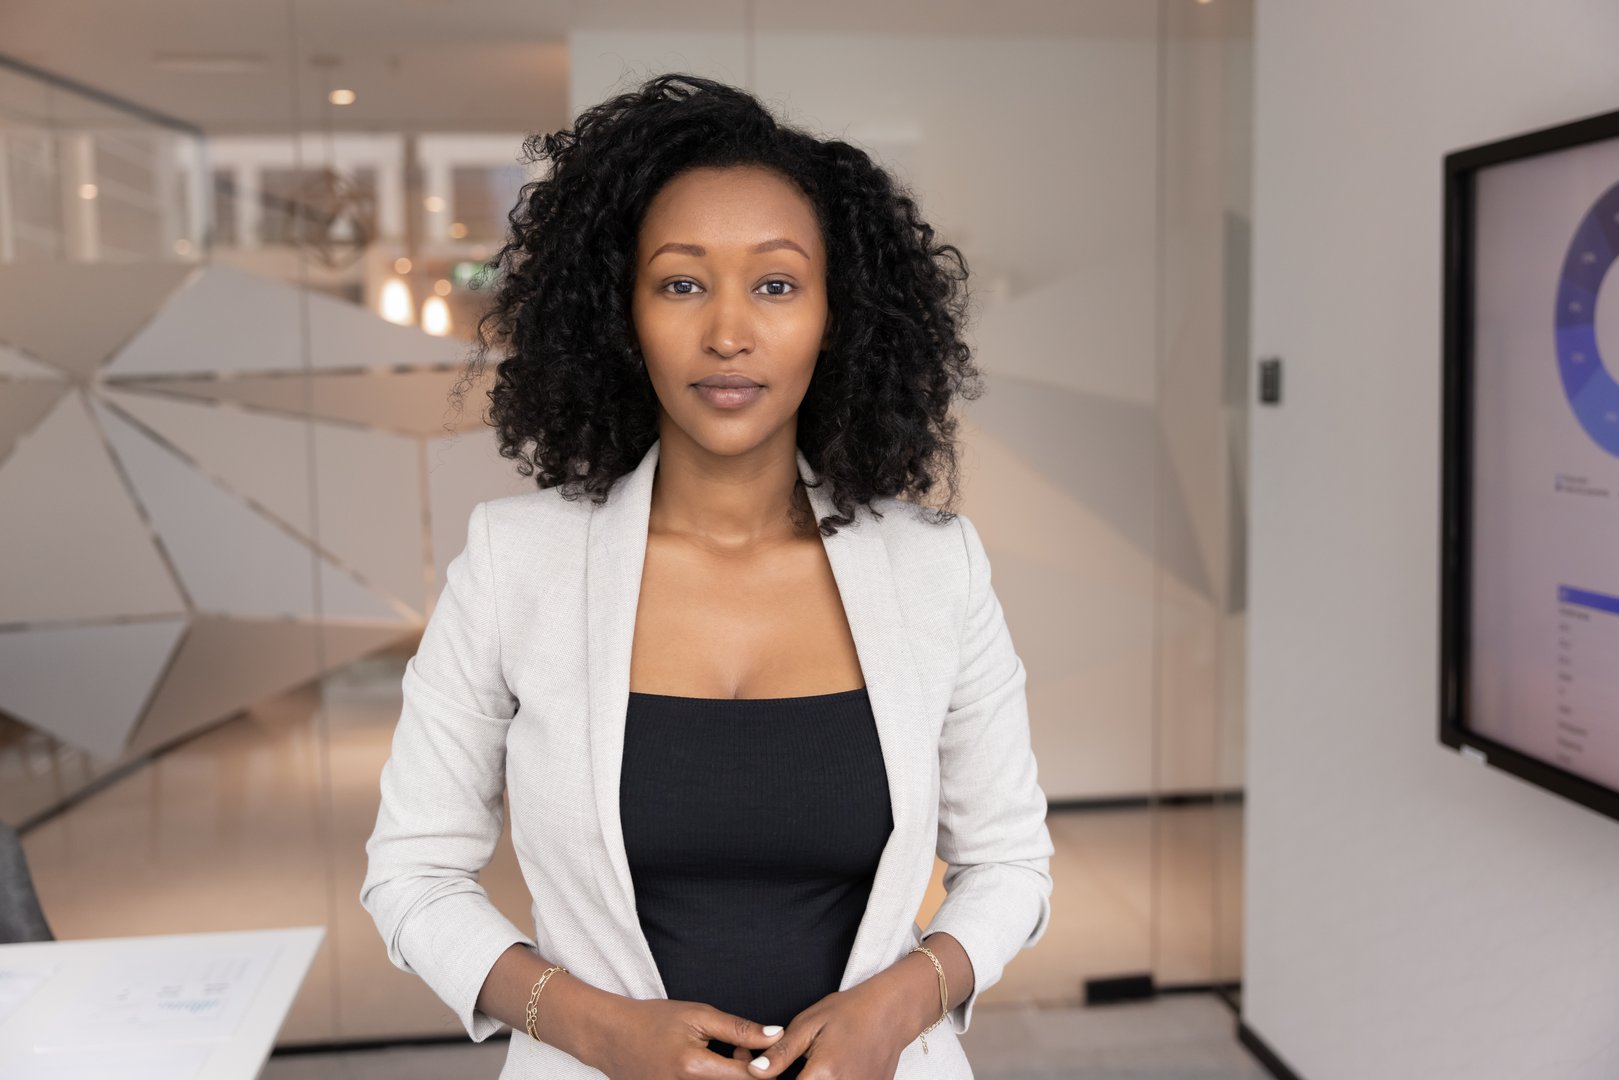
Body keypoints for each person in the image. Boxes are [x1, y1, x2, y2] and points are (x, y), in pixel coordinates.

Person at [361, 72, 1054, 1080]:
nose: (727, 331)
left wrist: (896, 1008)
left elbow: (1009, 865)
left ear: (836, 314)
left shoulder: (933, 567)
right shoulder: (516, 563)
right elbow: (413, 876)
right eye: (680, 282)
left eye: (775, 284)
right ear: (619, 312)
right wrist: (600, 1031)